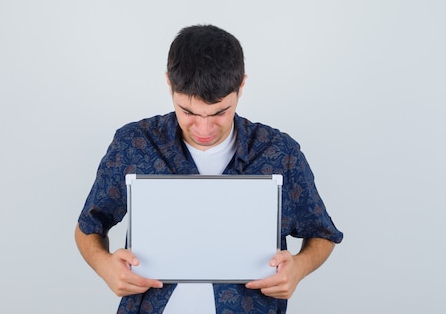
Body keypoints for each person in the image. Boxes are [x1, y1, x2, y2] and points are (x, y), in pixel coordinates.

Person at [75, 24, 343, 314]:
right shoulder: (134, 144)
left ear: (241, 86)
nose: (203, 128)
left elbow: (322, 233)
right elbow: (89, 226)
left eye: (219, 112)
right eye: (188, 112)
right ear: (169, 84)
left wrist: (299, 268)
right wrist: (106, 266)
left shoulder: (280, 152)